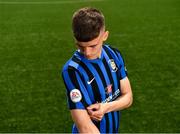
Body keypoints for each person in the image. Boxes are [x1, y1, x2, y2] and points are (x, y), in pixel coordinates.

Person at [61, 7, 133, 133]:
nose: (87, 53)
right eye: (80, 46)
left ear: (105, 36)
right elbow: (85, 127)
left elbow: (128, 96)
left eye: (93, 46)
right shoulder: (72, 71)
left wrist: (106, 107)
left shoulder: (114, 55)